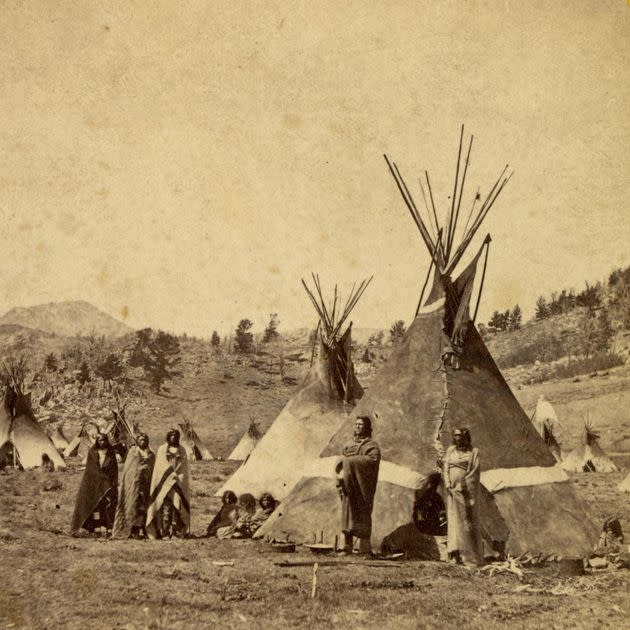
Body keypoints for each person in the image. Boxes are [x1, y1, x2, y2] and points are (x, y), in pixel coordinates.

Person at [335, 415, 381, 555]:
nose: (358, 426)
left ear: (366, 427)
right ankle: (346, 547)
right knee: (347, 514)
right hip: (349, 487)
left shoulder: (371, 446)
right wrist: (343, 466)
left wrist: (350, 462)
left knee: (363, 513)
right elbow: (341, 461)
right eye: (356, 424)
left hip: (362, 487)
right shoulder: (348, 444)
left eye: (361, 424)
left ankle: (365, 548)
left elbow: (373, 461)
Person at [443, 427, 483, 565]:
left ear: (466, 437)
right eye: (455, 436)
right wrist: (448, 484)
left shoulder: (473, 452)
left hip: (466, 493)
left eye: (460, 435)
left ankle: (469, 556)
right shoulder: (450, 451)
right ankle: (454, 553)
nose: (457, 438)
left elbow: (474, 472)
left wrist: (463, 486)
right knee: (453, 520)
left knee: (466, 522)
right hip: (452, 491)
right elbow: (446, 467)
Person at [70, 432, 119, 537]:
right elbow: (91, 469)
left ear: (107, 441)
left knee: (106, 507)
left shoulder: (110, 452)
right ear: (97, 441)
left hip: (107, 484)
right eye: (100, 440)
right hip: (94, 483)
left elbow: (114, 469)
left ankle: (107, 529)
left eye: (104, 440)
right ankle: (97, 530)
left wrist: (112, 482)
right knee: (95, 506)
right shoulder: (93, 451)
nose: (102, 442)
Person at [146, 429, 191, 539]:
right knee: (165, 506)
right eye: (171, 435)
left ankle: (176, 532)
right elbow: (161, 465)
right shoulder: (162, 449)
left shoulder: (182, 450)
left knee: (178, 506)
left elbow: (183, 467)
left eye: (175, 435)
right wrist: (170, 475)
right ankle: (165, 532)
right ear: (168, 437)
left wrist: (177, 477)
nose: (173, 437)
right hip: (165, 482)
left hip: (177, 482)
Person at [112, 433, 156, 539]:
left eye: (144, 440)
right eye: (140, 440)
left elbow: (153, 470)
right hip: (133, 485)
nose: (142, 441)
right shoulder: (133, 452)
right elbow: (129, 469)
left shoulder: (151, 454)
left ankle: (144, 530)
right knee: (133, 505)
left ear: (147, 441)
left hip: (147, 484)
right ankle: (132, 530)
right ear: (137, 441)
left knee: (144, 507)